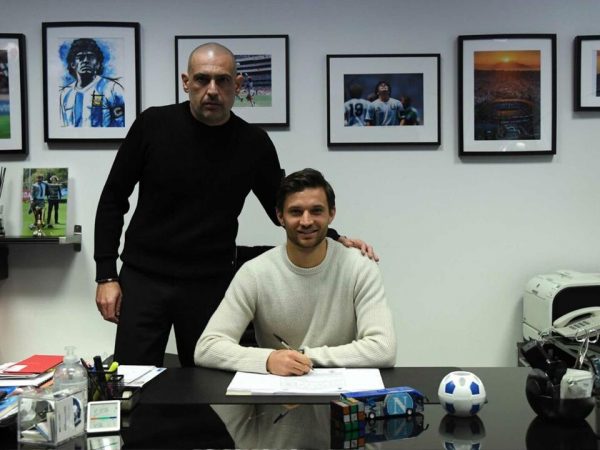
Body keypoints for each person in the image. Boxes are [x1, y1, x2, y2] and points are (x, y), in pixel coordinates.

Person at [94, 43, 375, 368]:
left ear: (238, 85)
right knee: (132, 380)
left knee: (207, 382)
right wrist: (106, 275)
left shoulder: (253, 143)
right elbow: (113, 198)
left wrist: (335, 237)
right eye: (202, 79)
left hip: (209, 282)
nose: (212, 90)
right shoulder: (152, 125)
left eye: (223, 80)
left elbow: (281, 208)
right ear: (186, 82)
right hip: (145, 278)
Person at [195, 168, 396, 375]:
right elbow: (207, 348)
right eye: (296, 212)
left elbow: (383, 348)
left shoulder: (360, 267)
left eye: (316, 211)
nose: (306, 221)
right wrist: (268, 360)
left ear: (331, 214)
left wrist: (304, 356)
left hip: (341, 390)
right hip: (277, 390)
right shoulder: (254, 273)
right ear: (280, 216)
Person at [59, 38, 125, 128]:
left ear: (98, 64)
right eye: (80, 58)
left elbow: (121, 125)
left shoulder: (112, 88)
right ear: (73, 64)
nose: (85, 61)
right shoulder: (65, 93)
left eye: (90, 57)